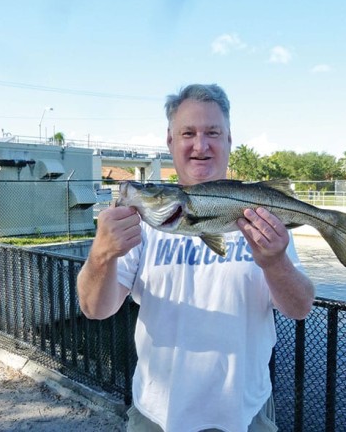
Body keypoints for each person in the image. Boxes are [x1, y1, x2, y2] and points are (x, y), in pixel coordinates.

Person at [77, 84, 315, 432]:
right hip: (156, 416)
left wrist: (275, 262)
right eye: (188, 133)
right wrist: (100, 255)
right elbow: (95, 309)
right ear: (170, 141)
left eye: (212, 133)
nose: (200, 145)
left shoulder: (261, 215)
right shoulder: (136, 223)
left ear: (229, 140)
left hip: (247, 415)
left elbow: (300, 308)